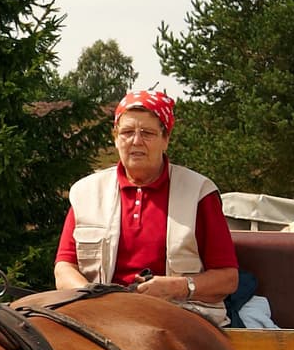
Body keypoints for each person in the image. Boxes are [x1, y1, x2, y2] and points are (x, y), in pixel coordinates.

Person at [54, 88, 240, 308]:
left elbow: (228, 279)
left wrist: (179, 287)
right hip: (98, 315)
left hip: (180, 316)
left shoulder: (199, 192)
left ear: (166, 139)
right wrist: (89, 298)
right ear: (115, 138)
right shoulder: (85, 193)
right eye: (127, 132)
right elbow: (64, 266)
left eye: (147, 133)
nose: (136, 141)